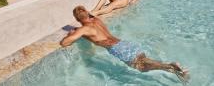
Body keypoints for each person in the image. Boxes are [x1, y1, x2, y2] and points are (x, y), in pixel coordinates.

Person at [60, 6, 189, 84]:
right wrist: (79, 29)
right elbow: (90, 24)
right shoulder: (96, 20)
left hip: (117, 49)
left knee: (142, 67)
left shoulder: (83, 30)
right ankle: (173, 69)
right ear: (87, 13)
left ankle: (170, 65)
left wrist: (73, 32)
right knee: (146, 62)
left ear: (77, 19)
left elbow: (65, 43)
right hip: (124, 43)